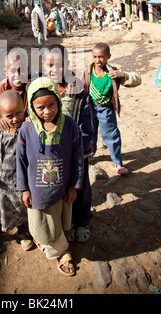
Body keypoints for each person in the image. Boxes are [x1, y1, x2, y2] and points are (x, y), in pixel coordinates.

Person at [16, 77, 84, 276]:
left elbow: (78, 159)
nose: (47, 111)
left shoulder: (70, 126)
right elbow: (20, 161)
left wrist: (74, 186)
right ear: (31, 107)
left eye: (52, 104)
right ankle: (62, 251)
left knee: (59, 218)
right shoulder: (27, 129)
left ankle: (58, 244)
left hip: (62, 188)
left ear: (59, 101)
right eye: (40, 107)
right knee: (42, 224)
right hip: (37, 192)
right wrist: (24, 188)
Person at [42, 45, 94, 243]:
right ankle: (67, 223)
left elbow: (87, 121)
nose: (53, 70)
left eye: (59, 65)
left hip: (77, 152)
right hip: (53, 153)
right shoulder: (42, 88)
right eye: (49, 65)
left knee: (80, 188)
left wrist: (85, 147)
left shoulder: (78, 89)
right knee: (60, 189)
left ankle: (81, 221)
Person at [0, 90, 32, 254]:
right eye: (9, 116)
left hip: (19, 184)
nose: (15, 119)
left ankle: (23, 232)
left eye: (19, 113)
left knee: (21, 210)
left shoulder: (27, 130)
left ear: (25, 108)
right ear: (1, 115)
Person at [84, 42, 141, 175]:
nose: (98, 60)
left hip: (106, 110)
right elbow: (81, 86)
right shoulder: (88, 71)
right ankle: (91, 153)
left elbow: (137, 80)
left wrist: (122, 75)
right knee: (90, 132)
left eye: (101, 57)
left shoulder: (113, 72)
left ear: (108, 56)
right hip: (91, 108)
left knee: (111, 135)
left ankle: (117, 162)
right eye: (95, 57)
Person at [0, 48, 29, 128]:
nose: (18, 74)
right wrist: (0, 119)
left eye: (21, 70)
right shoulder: (3, 87)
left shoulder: (31, 85)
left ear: (27, 69)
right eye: (13, 71)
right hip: (10, 124)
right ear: (6, 73)